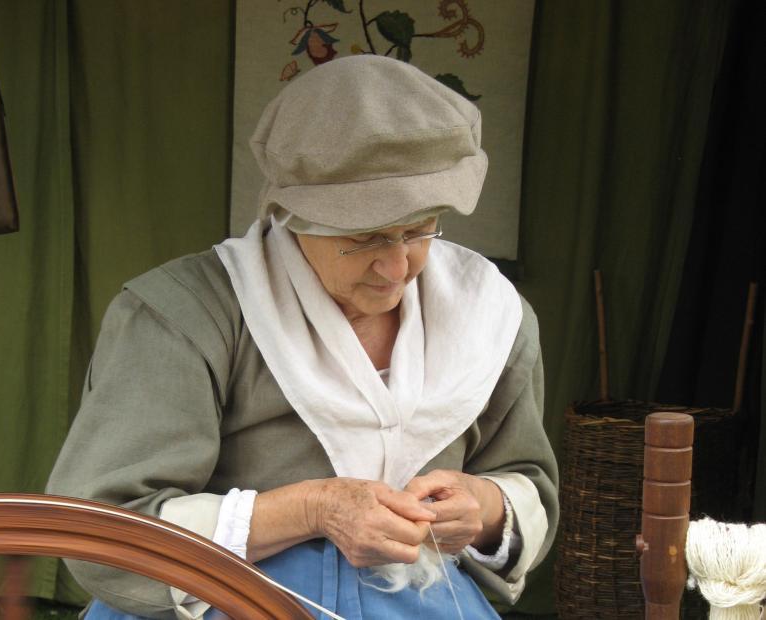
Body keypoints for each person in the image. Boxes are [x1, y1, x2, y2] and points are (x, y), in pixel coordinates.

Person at [47, 54, 558, 620]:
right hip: (227, 599)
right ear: (293, 216)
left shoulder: (488, 315)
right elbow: (103, 527)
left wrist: (484, 508)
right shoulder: (186, 314)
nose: (396, 267)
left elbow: (526, 479)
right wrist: (314, 508)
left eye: (419, 230)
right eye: (365, 239)